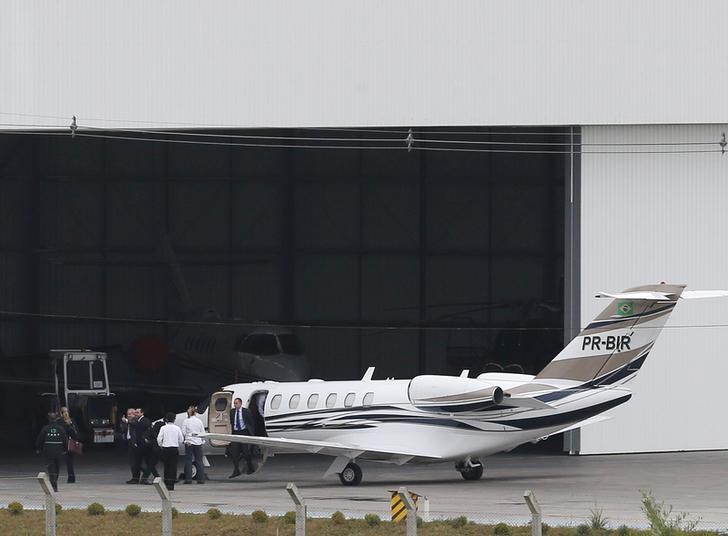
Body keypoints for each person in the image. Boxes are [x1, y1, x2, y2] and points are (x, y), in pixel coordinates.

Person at [35, 412, 68, 492]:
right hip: (58, 451)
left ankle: (53, 484)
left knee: (51, 468)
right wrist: (65, 449)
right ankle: (54, 483)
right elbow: (65, 440)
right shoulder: (61, 428)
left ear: (49, 419)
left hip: (49, 451)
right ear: (56, 419)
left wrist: (38, 448)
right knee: (57, 468)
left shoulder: (45, 428)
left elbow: (40, 439)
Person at [228, 397, 255, 478]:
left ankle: (250, 467)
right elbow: (232, 422)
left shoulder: (246, 411)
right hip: (236, 433)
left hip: (244, 432)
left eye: (236, 403)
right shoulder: (232, 412)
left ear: (240, 403)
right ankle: (236, 470)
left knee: (246, 452)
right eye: (234, 403)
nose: (235, 405)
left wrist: (251, 434)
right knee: (234, 453)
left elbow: (251, 423)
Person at [157, 412, 184, 491]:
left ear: (166, 419)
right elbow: (181, 439)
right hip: (174, 448)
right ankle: (171, 485)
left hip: (166, 448)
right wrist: (176, 442)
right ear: (174, 419)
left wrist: (161, 445)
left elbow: (159, 438)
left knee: (167, 466)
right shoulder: (177, 428)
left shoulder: (163, 428)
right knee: (173, 466)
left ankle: (166, 483)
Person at [181, 406, 206, 484]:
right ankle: (201, 479)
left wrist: (185, 440)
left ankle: (188, 479)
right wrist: (201, 441)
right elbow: (203, 432)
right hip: (198, 442)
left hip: (189, 442)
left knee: (188, 461)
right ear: (195, 412)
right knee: (199, 461)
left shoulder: (186, 421)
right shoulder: (199, 421)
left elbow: (183, 432)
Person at [121, 407, 143, 484]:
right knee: (132, 461)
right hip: (130, 442)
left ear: (134, 414)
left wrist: (127, 421)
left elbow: (134, 425)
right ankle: (135, 477)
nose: (129, 415)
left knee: (135, 461)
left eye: (130, 414)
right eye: (128, 414)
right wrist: (124, 423)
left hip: (135, 443)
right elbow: (124, 430)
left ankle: (137, 477)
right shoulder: (128, 422)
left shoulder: (135, 421)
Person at [58, 406, 79, 484]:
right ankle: (54, 476)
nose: (66, 413)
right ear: (61, 413)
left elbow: (76, 434)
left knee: (69, 462)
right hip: (61, 443)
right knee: (56, 461)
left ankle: (71, 478)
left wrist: (70, 425)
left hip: (69, 443)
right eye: (64, 412)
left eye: (67, 411)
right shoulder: (59, 422)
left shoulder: (72, 421)